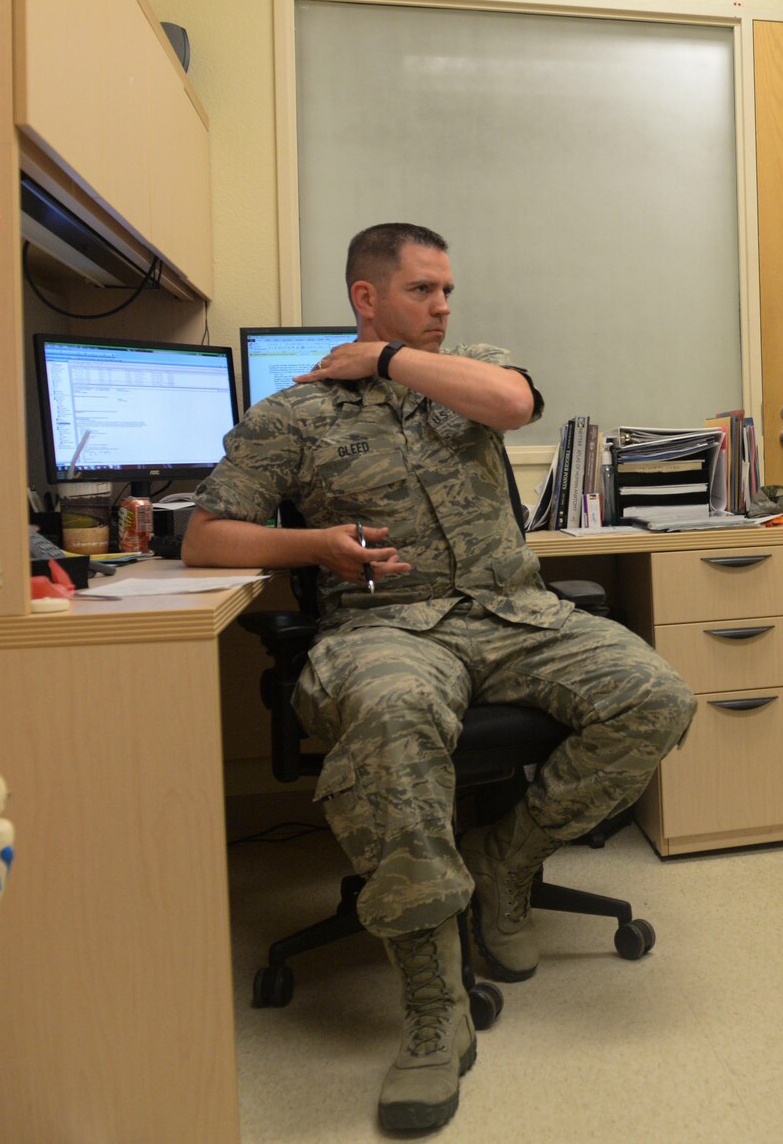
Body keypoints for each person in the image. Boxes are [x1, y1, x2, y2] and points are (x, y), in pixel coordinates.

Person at [184, 222, 697, 1131]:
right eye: (423, 291)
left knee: (658, 696)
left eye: (448, 291)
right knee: (389, 717)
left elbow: (512, 403)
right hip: (387, 626)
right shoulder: (293, 414)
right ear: (367, 294)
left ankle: (508, 861)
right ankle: (433, 1010)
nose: (444, 307)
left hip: (515, 614)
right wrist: (316, 546)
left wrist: (385, 359)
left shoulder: (466, 373)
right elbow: (209, 537)